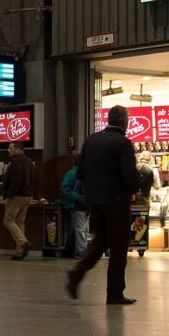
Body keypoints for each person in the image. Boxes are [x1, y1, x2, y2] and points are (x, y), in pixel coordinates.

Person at [66, 106, 141, 305]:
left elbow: (79, 172)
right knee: (118, 249)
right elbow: (130, 175)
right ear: (124, 121)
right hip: (117, 202)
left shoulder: (91, 140)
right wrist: (135, 187)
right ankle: (114, 293)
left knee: (100, 241)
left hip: (94, 202)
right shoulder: (123, 143)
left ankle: (77, 272)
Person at [3, 141, 36, 260]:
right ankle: (19, 252)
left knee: (8, 220)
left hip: (17, 196)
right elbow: (33, 179)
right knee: (20, 222)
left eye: (11, 148)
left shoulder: (16, 162)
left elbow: (16, 180)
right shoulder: (29, 162)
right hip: (28, 195)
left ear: (18, 149)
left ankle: (23, 242)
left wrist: (9, 194)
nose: (9, 150)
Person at [60, 152, 88, 257]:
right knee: (82, 229)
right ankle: (82, 250)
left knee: (83, 228)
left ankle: (82, 249)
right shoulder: (74, 173)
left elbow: (65, 189)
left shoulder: (74, 172)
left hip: (81, 205)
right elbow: (65, 189)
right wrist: (79, 198)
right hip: (79, 205)